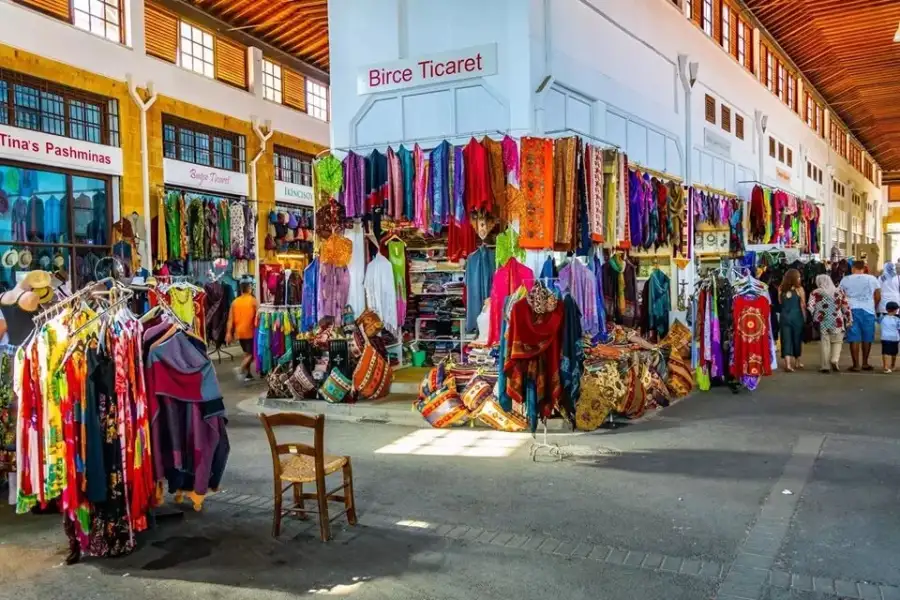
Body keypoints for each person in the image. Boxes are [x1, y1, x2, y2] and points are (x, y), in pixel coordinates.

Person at [840, 260, 881, 371]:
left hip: (851, 310)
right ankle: (865, 363)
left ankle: (856, 365)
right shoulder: (872, 279)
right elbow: (878, 295)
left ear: (853, 268)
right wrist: (874, 306)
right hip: (868, 310)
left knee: (854, 337)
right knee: (867, 337)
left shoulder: (846, 279)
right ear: (864, 268)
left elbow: (840, 295)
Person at [808, 274, 852, 373]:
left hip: (822, 320)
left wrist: (812, 317)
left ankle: (825, 366)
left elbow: (810, 307)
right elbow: (845, 306)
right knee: (837, 341)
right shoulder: (839, 292)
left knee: (825, 342)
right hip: (837, 320)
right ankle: (834, 359)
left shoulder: (815, 292)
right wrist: (849, 319)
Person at [226, 281, 258, 381]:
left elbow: (230, 319)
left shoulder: (235, 302)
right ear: (249, 288)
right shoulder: (253, 301)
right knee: (252, 354)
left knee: (246, 353)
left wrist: (228, 333)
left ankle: (248, 374)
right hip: (250, 331)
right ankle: (241, 369)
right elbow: (258, 316)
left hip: (239, 332)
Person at [778, 268, 806, 372]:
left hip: (784, 316)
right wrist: (805, 318)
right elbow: (803, 305)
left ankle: (788, 364)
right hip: (796, 316)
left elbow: (780, 302)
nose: (800, 278)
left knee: (786, 340)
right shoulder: (800, 289)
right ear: (795, 278)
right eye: (798, 277)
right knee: (797, 339)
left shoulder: (781, 288)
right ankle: (797, 361)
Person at [880, 302, 900, 373]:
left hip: (885, 337)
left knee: (885, 352)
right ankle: (893, 365)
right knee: (894, 352)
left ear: (886, 309)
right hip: (895, 338)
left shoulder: (882, 318)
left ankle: (885, 366)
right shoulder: (897, 320)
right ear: (896, 310)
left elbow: (877, 320)